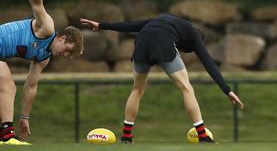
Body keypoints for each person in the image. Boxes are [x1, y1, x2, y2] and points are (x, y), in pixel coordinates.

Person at [80, 13, 244, 143]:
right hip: (163, 43)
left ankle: (126, 137)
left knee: (137, 89)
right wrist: (227, 90)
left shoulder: (164, 19)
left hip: (141, 43)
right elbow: (209, 63)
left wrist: (102, 25)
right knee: (186, 88)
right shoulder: (194, 35)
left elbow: (132, 25)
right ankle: (203, 137)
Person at [0, 0, 84, 146]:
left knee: (4, 79)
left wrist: (25, 117)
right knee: (6, 79)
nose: (64, 54)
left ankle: (6, 135)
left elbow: (30, 86)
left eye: (69, 55)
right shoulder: (47, 28)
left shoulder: (43, 58)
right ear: (62, 37)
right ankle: (6, 136)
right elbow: (37, 3)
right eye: (67, 49)